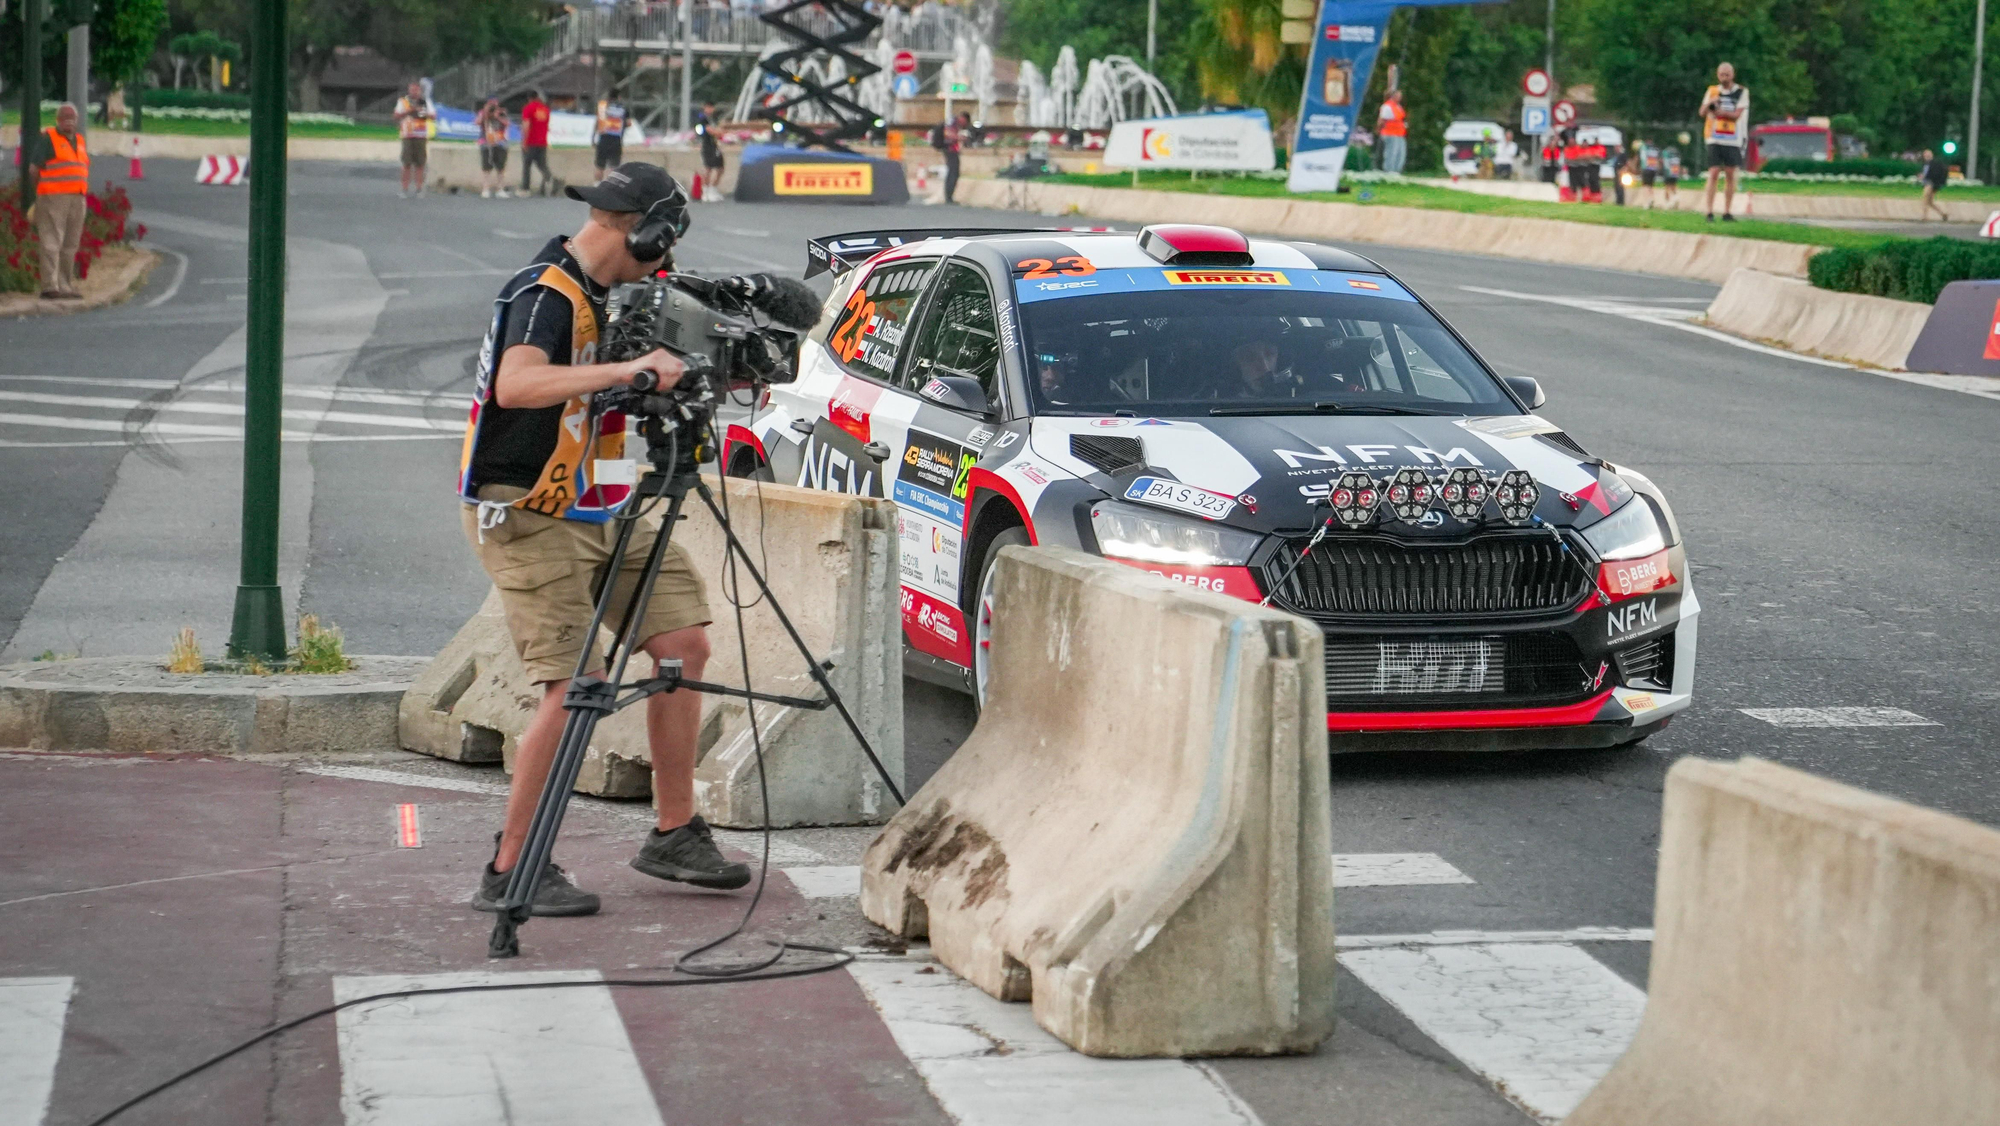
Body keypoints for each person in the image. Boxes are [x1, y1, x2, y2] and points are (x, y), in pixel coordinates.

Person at [459, 162, 748, 916]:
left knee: (684, 643)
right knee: (575, 685)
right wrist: (628, 368)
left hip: (602, 502)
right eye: (667, 240)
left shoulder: (619, 295)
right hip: (524, 510)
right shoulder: (543, 293)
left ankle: (674, 831)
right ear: (643, 230)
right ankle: (511, 866)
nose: (671, 257)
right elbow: (515, 387)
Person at [27, 103, 88, 300]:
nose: (69, 119)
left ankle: (65, 285)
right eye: (64, 116)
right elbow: (34, 170)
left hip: (77, 198)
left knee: (70, 244)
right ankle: (49, 286)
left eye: (72, 116)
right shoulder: (48, 139)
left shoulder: (79, 141)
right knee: (52, 242)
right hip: (53, 198)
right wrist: (41, 192)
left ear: (77, 121)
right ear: (58, 120)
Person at [1698, 62, 1749, 222]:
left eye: (1727, 74)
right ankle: (1709, 211)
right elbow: (1702, 112)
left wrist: (1721, 112)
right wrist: (1710, 104)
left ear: (1732, 75)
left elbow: (1737, 114)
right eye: (1721, 74)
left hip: (1732, 139)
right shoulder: (1712, 91)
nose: (1724, 77)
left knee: (1729, 174)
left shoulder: (1741, 92)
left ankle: (1727, 211)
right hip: (1714, 137)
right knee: (1713, 172)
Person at [394, 81, 434, 198]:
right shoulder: (403, 102)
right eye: (412, 90)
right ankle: (404, 188)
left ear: (419, 91)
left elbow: (433, 116)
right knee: (406, 163)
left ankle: (419, 188)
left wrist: (423, 112)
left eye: (416, 90)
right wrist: (408, 111)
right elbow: (396, 116)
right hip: (407, 134)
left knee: (420, 163)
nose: (414, 92)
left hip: (420, 135)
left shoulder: (425, 102)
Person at [476, 97, 512, 199]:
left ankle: (500, 189)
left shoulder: (502, 113)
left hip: (500, 142)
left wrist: (497, 117)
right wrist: (485, 114)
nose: (493, 107)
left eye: (495, 105)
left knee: (501, 167)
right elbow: (477, 122)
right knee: (486, 167)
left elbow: (507, 123)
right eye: (491, 105)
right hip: (486, 142)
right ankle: (485, 188)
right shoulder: (483, 113)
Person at [520, 89, 553, 196]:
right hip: (542, 141)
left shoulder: (528, 108)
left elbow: (526, 125)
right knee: (542, 164)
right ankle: (550, 179)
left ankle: (525, 189)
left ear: (529, 98)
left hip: (531, 141)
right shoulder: (545, 109)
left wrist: (524, 141)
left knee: (527, 165)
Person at [593, 96, 628, 181]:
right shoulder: (623, 108)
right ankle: (610, 187)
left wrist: (593, 138)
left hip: (603, 139)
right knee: (614, 167)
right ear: (619, 97)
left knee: (599, 166)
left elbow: (597, 122)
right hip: (616, 140)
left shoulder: (602, 107)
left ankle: (597, 185)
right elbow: (628, 123)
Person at [697, 102, 726, 199]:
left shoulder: (713, 119)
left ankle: (713, 188)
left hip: (716, 146)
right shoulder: (703, 119)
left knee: (720, 168)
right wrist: (719, 132)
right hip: (707, 146)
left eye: (711, 107)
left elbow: (719, 129)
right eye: (708, 107)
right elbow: (712, 131)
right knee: (708, 168)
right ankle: (705, 192)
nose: (710, 109)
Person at [1377, 89, 1407, 175]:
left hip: (1400, 133)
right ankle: (1389, 171)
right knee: (1391, 153)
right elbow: (1382, 120)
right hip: (1390, 133)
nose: (1399, 98)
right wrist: (1379, 130)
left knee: (1400, 153)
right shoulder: (1387, 106)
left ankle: (1397, 171)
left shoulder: (1398, 106)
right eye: (1398, 96)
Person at [942, 111, 968, 203]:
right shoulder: (953, 122)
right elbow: (947, 133)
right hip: (950, 150)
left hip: (951, 150)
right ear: (963, 118)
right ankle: (948, 196)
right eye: (965, 122)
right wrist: (959, 138)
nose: (964, 124)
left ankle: (949, 196)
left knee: (954, 172)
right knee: (953, 172)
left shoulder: (954, 122)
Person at [1920, 149, 1951, 221]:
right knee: (1929, 201)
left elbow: (1936, 174)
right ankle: (1943, 213)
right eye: (1925, 155)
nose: (1926, 156)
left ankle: (1924, 216)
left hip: (1931, 183)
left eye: (1928, 154)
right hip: (1926, 183)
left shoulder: (1935, 163)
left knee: (1925, 198)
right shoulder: (1925, 164)